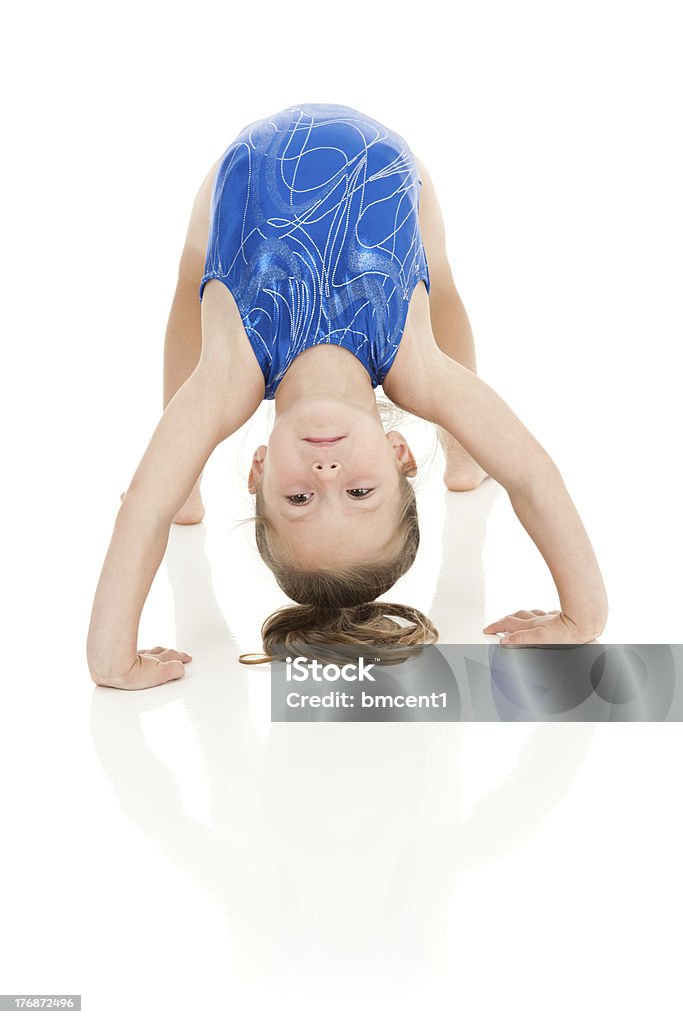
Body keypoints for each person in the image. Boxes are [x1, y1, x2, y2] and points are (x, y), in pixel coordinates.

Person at [86, 102, 608, 690]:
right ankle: (465, 456)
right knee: (439, 277)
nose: (327, 471)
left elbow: (143, 507)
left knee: (192, 279)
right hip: (390, 166)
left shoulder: (228, 377)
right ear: (401, 455)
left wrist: (112, 660)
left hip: (244, 171)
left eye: (300, 497)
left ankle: (189, 484)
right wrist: (583, 615)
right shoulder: (418, 368)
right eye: (360, 491)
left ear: (257, 470)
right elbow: (532, 474)